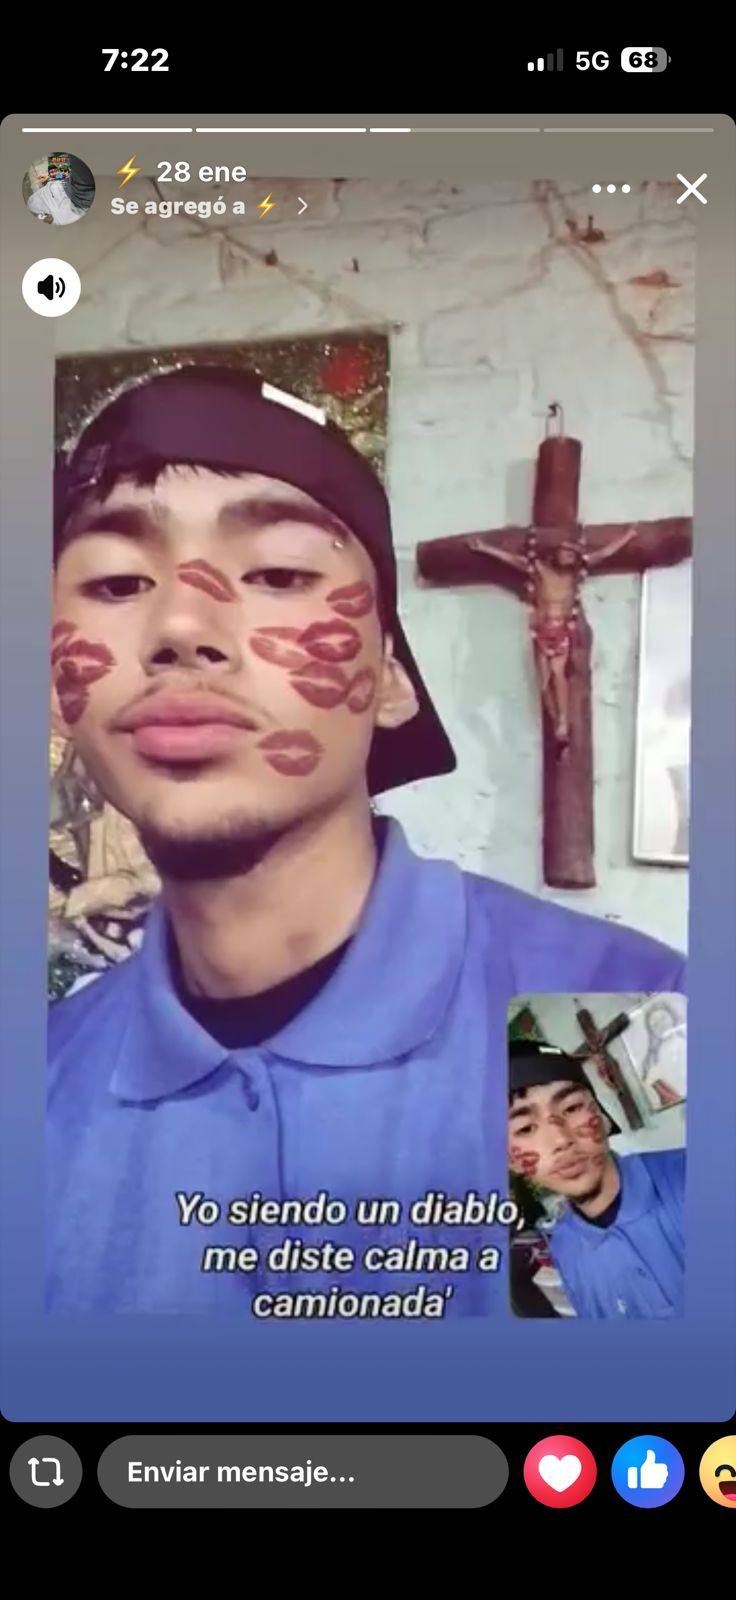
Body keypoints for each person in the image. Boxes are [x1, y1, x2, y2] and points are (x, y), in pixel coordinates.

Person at [47, 365, 686, 1312]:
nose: (179, 624)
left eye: (278, 573)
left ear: (392, 679)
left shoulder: (659, 1020)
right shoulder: (41, 1080)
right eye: (115, 581)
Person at [508, 1038, 685, 1317]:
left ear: (603, 1117)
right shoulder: (563, 1250)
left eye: (571, 1108)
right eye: (525, 1128)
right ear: (511, 1161)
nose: (561, 1140)